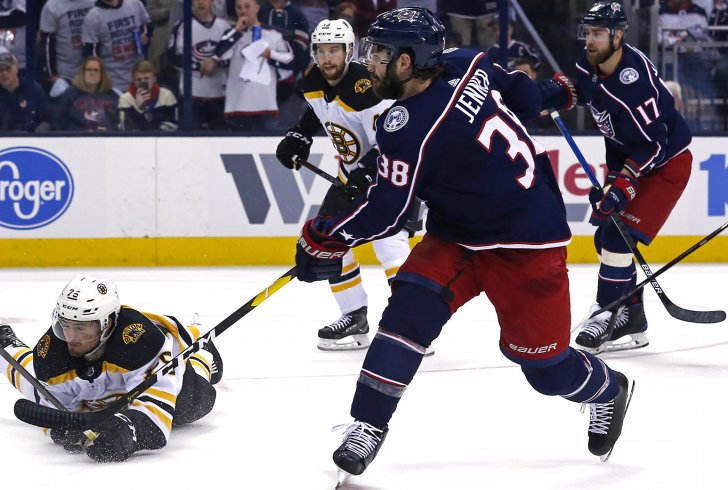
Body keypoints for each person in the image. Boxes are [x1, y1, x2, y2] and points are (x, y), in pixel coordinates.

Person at [292, 8, 635, 481]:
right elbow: (520, 94)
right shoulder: (465, 61)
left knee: (545, 369)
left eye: (380, 54)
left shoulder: (407, 124)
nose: (370, 64)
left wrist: (324, 236)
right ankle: (367, 424)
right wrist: (557, 91)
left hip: (526, 242)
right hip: (458, 233)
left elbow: (389, 211)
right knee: (406, 314)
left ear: (409, 62)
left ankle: (608, 389)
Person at [537, 1, 692, 354]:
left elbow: (656, 143)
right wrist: (545, 95)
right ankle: (632, 317)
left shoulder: (633, 80)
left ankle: (606, 316)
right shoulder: (590, 63)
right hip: (627, 159)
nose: (589, 40)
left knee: (618, 241)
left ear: (618, 35)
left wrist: (625, 182)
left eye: (597, 34)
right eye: (587, 33)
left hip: (664, 164)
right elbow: (576, 89)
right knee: (606, 237)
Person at [0, 273, 223, 462]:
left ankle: (201, 351)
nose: (71, 336)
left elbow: (158, 422)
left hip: (160, 361)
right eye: (65, 325)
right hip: (102, 377)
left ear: (107, 323)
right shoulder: (53, 353)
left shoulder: (140, 344)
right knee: (41, 383)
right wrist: (65, 429)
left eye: (81, 327)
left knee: (195, 402)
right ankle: (3, 347)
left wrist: (129, 433)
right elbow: (50, 405)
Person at [276, 18, 420, 353]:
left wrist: (368, 170)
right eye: (321, 50)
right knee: (326, 240)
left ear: (349, 51)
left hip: (391, 177)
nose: (327, 58)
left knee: (390, 247)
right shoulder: (313, 79)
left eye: (334, 50)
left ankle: (413, 326)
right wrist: (300, 134)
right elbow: (317, 109)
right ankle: (354, 316)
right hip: (350, 177)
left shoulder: (367, 88)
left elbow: (394, 136)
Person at [211, 0, 295, 131]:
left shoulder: (274, 34)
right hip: (237, 107)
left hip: (266, 105)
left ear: (257, 8)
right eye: (239, 7)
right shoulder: (231, 35)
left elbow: (289, 59)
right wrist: (237, 30)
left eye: (247, 6)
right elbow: (219, 54)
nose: (243, 11)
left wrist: (270, 54)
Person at [169, 0, 232, 130]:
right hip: (192, 96)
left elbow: (234, 57)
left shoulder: (225, 26)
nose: (200, 2)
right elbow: (172, 57)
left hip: (219, 95)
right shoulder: (181, 25)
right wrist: (199, 66)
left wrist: (217, 63)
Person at [82, 0, 152, 92]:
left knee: (143, 103)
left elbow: (147, 24)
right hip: (113, 82)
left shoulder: (135, 4)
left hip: (140, 76)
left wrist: (145, 36)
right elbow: (90, 52)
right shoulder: (93, 16)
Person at [0, 50, 54, 132]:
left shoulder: (33, 89)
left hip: (30, 139)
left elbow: (48, 120)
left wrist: (33, 136)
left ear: (17, 68)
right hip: (1, 141)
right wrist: (0, 137)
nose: (4, 73)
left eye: (8, 69)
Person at [39, 0, 96, 98]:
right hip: (65, 74)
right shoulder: (51, 6)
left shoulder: (94, 2)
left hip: (91, 70)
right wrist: (51, 74)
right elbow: (46, 44)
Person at [54, 56, 121, 131]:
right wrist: (83, 132)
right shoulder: (70, 94)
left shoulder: (111, 95)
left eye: (96, 70)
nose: (92, 73)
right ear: (83, 73)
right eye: (88, 70)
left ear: (102, 74)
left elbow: (120, 122)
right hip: (79, 139)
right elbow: (61, 123)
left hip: (108, 139)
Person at [119, 60, 179, 130]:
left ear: (154, 79)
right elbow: (126, 128)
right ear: (133, 80)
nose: (143, 82)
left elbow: (172, 126)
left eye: (146, 79)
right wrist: (137, 108)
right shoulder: (126, 98)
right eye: (138, 79)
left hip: (161, 139)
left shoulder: (166, 95)